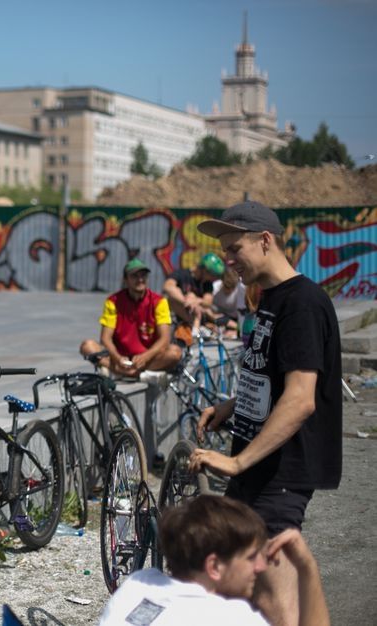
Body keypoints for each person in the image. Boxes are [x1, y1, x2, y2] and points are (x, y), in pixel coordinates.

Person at [191, 200, 342, 626]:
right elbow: (274, 379)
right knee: (245, 598)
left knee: (278, 609)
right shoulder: (273, 298)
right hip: (256, 475)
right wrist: (232, 406)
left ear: (265, 240)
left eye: (234, 247)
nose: (228, 259)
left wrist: (237, 460)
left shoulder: (303, 304)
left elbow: (300, 399)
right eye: (224, 251)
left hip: (280, 479)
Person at [99, 495, 329, 626]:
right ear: (214, 566)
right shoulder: (232, 617)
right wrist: (307, 567)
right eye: (250, 558)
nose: (260, 567)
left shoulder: (137, 586)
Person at [79, 258, 182, 379]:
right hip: (120, 357)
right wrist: (118, 358)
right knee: (87, 346)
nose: (140, 280)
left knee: (175, 352)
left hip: (147, 359)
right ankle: (136, 373)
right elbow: (105, 338)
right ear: (125, 280)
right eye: (134, 276)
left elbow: (164, 339)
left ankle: (121, 372)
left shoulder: (158, 302)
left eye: (143, 276)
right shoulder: (113, 301)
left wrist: (145, 356)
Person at [162, 252, 225, 327]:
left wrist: (196, 300)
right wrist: (187, 301)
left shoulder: (207, 283)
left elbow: (208, 301)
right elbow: (168, 287)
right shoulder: (182, 274)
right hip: (177, 315)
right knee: (172, 299)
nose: (213, 279)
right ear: (204, 270)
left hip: (196, 316)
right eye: (212, 275)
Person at [211, 265, 247, 338]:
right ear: (222, 281)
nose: (229, 290)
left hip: (237, 321)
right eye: (227, 286)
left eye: (232, 287)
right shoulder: (214, 288)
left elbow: (244, 315)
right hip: (218, 319)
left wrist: (237, 329)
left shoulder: (241, 289)